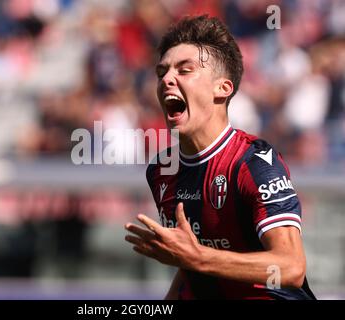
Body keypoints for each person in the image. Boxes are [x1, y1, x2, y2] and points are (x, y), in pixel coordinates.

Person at [124, 15, 316, 300]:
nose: (166, 79)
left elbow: (290, 267)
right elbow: (193, 266)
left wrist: (197, 256)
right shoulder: (162, 171)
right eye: (162, 72)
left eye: (184, 70)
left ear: (222, 88)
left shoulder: (253, 162)